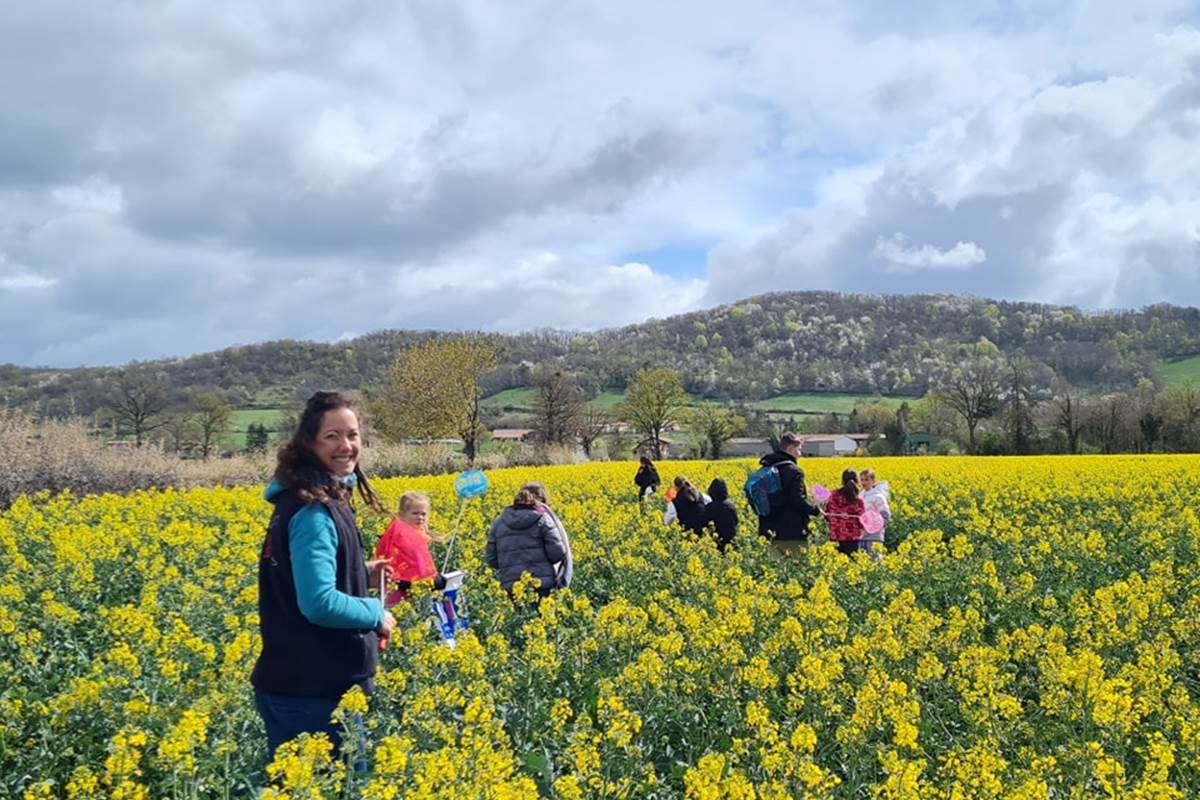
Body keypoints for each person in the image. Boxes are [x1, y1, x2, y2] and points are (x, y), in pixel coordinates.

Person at [251, 391, 395, 762]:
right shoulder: (313, 510)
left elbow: (301, 573)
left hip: (303, 685)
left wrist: (360, 572)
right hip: (313, 692)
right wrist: (376, 613)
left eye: (353, 434)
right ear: (309, 441)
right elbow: (318, 602)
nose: (346, 445)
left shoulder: (307, 497)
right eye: (332, 436)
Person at [486, 486, 569, 598]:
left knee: (519, 615)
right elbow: (557, 553)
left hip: (511, 586)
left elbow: (491, 559)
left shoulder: (498, 523)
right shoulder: (542, 519)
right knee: (542, 614)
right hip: (541, 584)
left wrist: (508, 567)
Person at [374, 491, 450, 605]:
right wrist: (435, 581)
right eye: (415, 513)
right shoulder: (401, 536)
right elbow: (405, 570)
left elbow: (420, 566)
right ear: (401, 514)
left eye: (423, 514)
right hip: (401, 595)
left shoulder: (414, 533)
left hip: (414, 592)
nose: (420, 517)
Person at [755, 432, 821, 556]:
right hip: (792, 532)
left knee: (775, 570)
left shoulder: (765, 468)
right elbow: (797, 501)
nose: (800, 454)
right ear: (790, 449)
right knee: (796, 569)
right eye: (799, 450)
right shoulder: (793, 471)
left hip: (768, 530)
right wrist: (815, 511)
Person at [521, 481, 573, 588]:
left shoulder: (505, 519)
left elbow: (493, 556)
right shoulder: (545, 518)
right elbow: (558, 552)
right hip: (542, 580)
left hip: (512, 583)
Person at [825, 468, 865, 556]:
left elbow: (827, 514)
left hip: (835, 536)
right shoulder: (857, 500)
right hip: (852, 538)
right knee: (851, 566)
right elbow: (862, 520)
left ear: (842, 481)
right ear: (857, 481)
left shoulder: (832, 495)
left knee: (835, 565)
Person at [859, 468, 891, 561]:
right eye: (861, 479)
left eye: (866, 479)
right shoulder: (860, 496)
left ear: (873, 481)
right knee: (862, 562)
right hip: (862, 536)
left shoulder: (878, 497)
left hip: (874, 536)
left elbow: (886, 517)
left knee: (875, 561)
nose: (863, 482)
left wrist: (874, 527)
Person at [701, 478, 738, 553]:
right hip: (730, 542)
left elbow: (704, 524)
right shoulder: (731, 506)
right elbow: (736, 522)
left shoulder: (708, 507)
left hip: (714, 544)